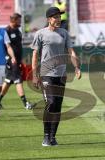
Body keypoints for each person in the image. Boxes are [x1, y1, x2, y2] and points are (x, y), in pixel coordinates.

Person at [31, 7, 81, 146]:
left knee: (57, 107)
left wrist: (77, 67)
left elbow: (71, 51)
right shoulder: (40, 34)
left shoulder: (64, 33)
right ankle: (46, 136)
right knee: (51, 103)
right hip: (46, 74)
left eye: (59, 17)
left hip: (61, 74)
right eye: (55, 17)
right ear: (48, 19)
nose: (58, 19)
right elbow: (35, 55)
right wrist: (35, 75)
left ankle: (53, 137)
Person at [0, 13, 33, 110]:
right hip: (11, 61)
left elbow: (18, 46)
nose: (20, 22)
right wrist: (7, 58)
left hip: (17, 61)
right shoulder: (6, 31)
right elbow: (4, 46)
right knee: (18, 80)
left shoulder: (18, 31)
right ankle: (26, 104)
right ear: (14, 20)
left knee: (8, 82)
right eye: (19, 20)